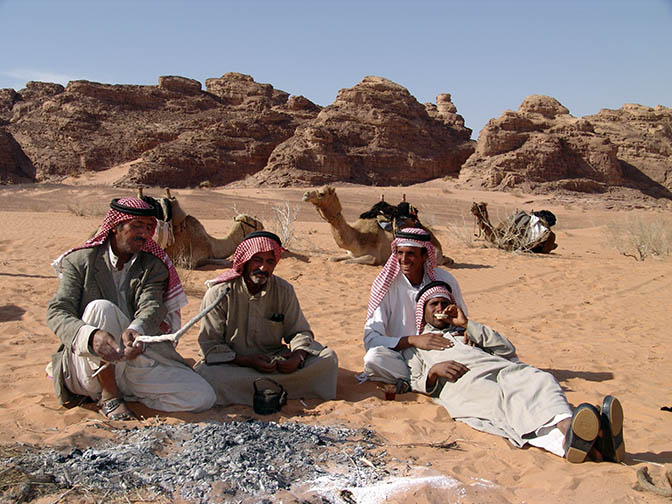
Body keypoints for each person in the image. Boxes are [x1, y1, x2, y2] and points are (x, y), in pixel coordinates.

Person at [403, 281, 625, 463]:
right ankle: (593, 445)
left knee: (540, 379)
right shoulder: (417, 346)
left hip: (503, 370)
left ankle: (568, 428)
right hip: (464, 383)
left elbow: (506, 349)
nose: (440, 308)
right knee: (506, 406)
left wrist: (468, 324)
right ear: (423, 310)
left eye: (445, 303)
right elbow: (413, 379)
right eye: (434, 304)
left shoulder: (467, 331)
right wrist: (434, 371)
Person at [46, 197, 216, 420]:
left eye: (148, 227)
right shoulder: (80, 261)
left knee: (202, 396)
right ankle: (109, 395)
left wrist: (138, 329)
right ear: (115, 227)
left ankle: (124, 391)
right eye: (136, 226)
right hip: (88, 366)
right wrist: (90, 336)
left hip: (132, 361)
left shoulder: (153, 266)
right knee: (101, 309)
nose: (144, 233)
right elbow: (58, 310)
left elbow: (152, 305)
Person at [195, 231, 338, 407]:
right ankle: (279, 388)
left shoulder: (284, 290)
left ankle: (261, 388)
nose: (263, 268)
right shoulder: (219, 293)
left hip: (274, 362)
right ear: (246, 261)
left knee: (328, 358)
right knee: (207, 375)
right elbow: (209, 344)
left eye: (269, 262)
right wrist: (247, 360)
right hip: (233, 363)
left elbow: (299, 331)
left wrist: (298, 356)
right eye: (257, 260)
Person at [362, 227, 467, 388]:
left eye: (411, 253)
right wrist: (413, 341)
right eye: (399, 253)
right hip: (401, 355)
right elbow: (371, 339)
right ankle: (425, 379)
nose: (404, 259)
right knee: (373, 359)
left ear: (425, 255)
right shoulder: (386, 284)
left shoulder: (445, 280)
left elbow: (460, 322)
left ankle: (422, 379)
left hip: (439, 350)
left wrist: (466, 334)